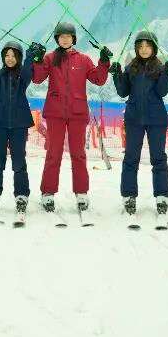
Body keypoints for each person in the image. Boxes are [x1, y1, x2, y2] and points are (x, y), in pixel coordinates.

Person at [31, 22, 112, 214]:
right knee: (54, 153)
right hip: (55, 113)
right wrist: (37, 60)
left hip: (77, 113)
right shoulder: (50, 58)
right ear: (57, 39)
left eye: (68, 36)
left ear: (74, 39)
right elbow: (37, 78)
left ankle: (81, 193)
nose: (65, 39)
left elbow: (99, 80)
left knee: (79, 154)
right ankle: (48, 193)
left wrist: (103, 61)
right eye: (62, 36)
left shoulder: (83, 60)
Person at [111, 30, 168, 217]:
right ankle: (129, 195)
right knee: (131, 158)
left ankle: (162, 196)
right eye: (140, 46)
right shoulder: (131, 67)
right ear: (136, 49)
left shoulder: (161, 67)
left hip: (156, 119)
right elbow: (123, 92)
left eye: (148, 46)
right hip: (134, 119)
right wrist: (116, 74)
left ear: (154, 48)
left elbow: (162, 91)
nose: (144, 49)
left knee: (158, 158)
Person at [0, 40, 35, 216]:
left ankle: (21, 195)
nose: (10, 58)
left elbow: (28, 72)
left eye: (13, 55)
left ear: (19, 57)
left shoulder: (23, 77)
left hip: (19, 124)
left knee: (19, 161)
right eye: (7, 55)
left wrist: (31, 55)